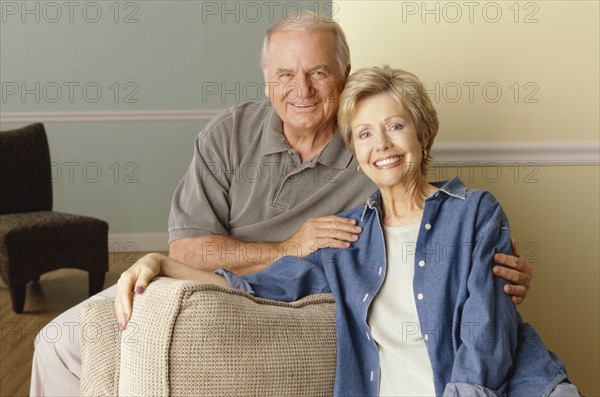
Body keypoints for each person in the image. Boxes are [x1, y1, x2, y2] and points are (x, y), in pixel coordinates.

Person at [30, 12, 532, 396]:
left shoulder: (369, 145)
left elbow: (421, 220)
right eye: (286, 75)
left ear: (345, 74)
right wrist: (287, 247)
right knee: (57, 342)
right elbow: (186, 249)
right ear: (267, 80)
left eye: (318, 72)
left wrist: (489, 264)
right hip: (220, 281)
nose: (302, 90)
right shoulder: (230, 134)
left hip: (299, 305)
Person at [115, 65, 579, 396]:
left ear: (424, 135)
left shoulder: (474, 212)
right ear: (355, 152)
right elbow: (250, 286)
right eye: (364, 134)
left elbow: (487, 335)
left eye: (396, 126)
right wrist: (159, 262)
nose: (382, 145)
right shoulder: (346, 239)